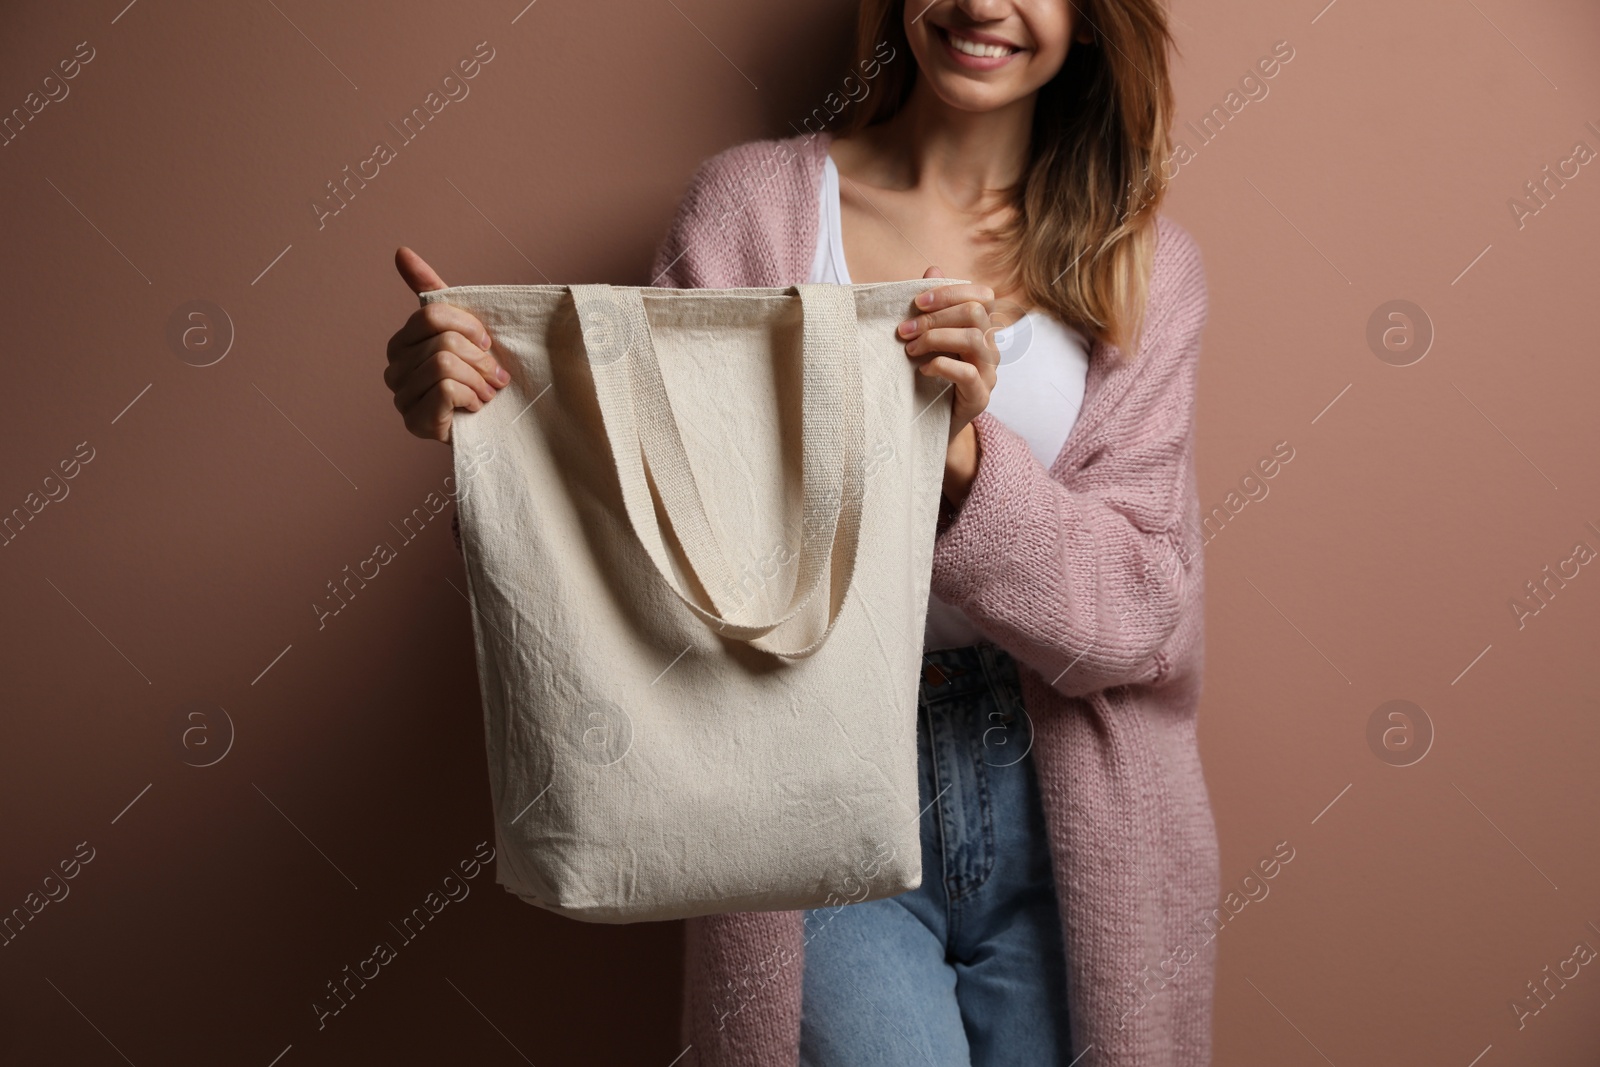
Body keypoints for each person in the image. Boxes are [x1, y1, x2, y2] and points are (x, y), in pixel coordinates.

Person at [382, 1, 1218, 1064]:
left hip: (1075, 811)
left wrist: (961, 461)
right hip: (800, 767)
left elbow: (1141, 610)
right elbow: (643, 538)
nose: (980, 4)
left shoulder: (1144, 264)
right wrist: (482, 419)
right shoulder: (752, 209)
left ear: (1095, 21)